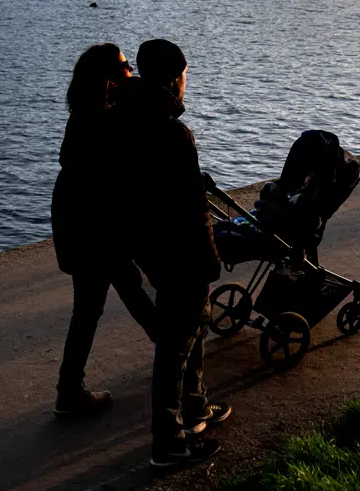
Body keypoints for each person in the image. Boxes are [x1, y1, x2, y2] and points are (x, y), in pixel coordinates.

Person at [117, 38, 229, 468]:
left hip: (150, 247)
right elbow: (192, 211)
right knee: (176, 343)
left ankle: (196, 408)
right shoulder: (172, 133)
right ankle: (167, 441)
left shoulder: (127, 119)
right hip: (179, 251)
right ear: (172, 79)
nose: (187, 83)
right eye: (185, 75)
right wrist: (210, 261)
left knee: (189, 330)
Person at [50, 43, 163, 419]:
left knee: (91, 305)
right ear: (110, 79)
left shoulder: (84, 116)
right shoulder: (107, 120)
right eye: (125, 66)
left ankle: (69, 391)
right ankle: (173, 356)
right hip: (97, 228)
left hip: (78, 224)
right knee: (132, 288)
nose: (131, 69)